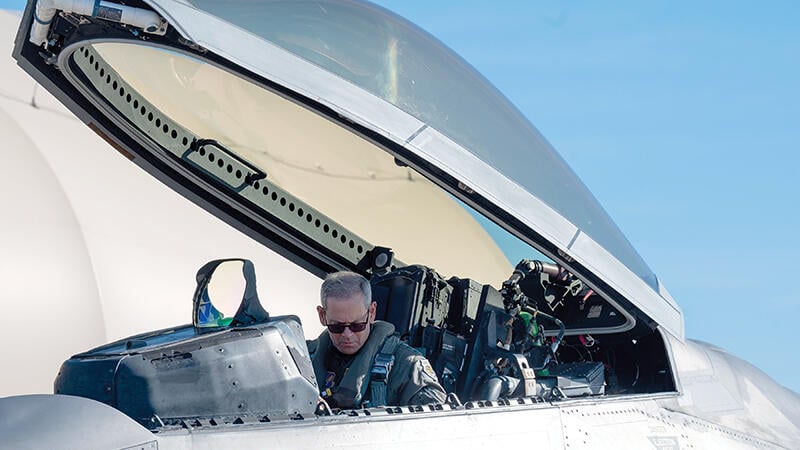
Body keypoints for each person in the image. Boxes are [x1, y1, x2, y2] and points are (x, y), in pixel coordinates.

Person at [307, 271, 447, 409]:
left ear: (372, 312)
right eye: (337, 326)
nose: (347, 334)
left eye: (357, 325)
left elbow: (434, 424)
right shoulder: (304, 360)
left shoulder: (407, 367)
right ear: (322, 315)